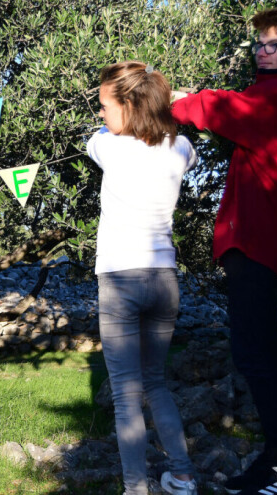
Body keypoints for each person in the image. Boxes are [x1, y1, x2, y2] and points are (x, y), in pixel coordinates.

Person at [171, 8, 277, 495]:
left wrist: (176, 102)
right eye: (258, 42)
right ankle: (276, 461)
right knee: (258, 352)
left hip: (256, 238)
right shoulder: (276, 93)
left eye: (272, 44)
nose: (261, 49)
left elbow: (224, 110)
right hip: (251, 238)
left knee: (259, 354)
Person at [87, 61, 198, 495]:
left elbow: (96, 138)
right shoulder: (181, 148)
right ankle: (184, 475)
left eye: (105, 106)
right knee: (155, 382)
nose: (101, 115)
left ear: (129, 106)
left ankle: (136, 488)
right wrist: (175, 102)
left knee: (126, 395)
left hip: (120, 279)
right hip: (164, 279)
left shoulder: (108, 147)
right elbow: (180, 134)